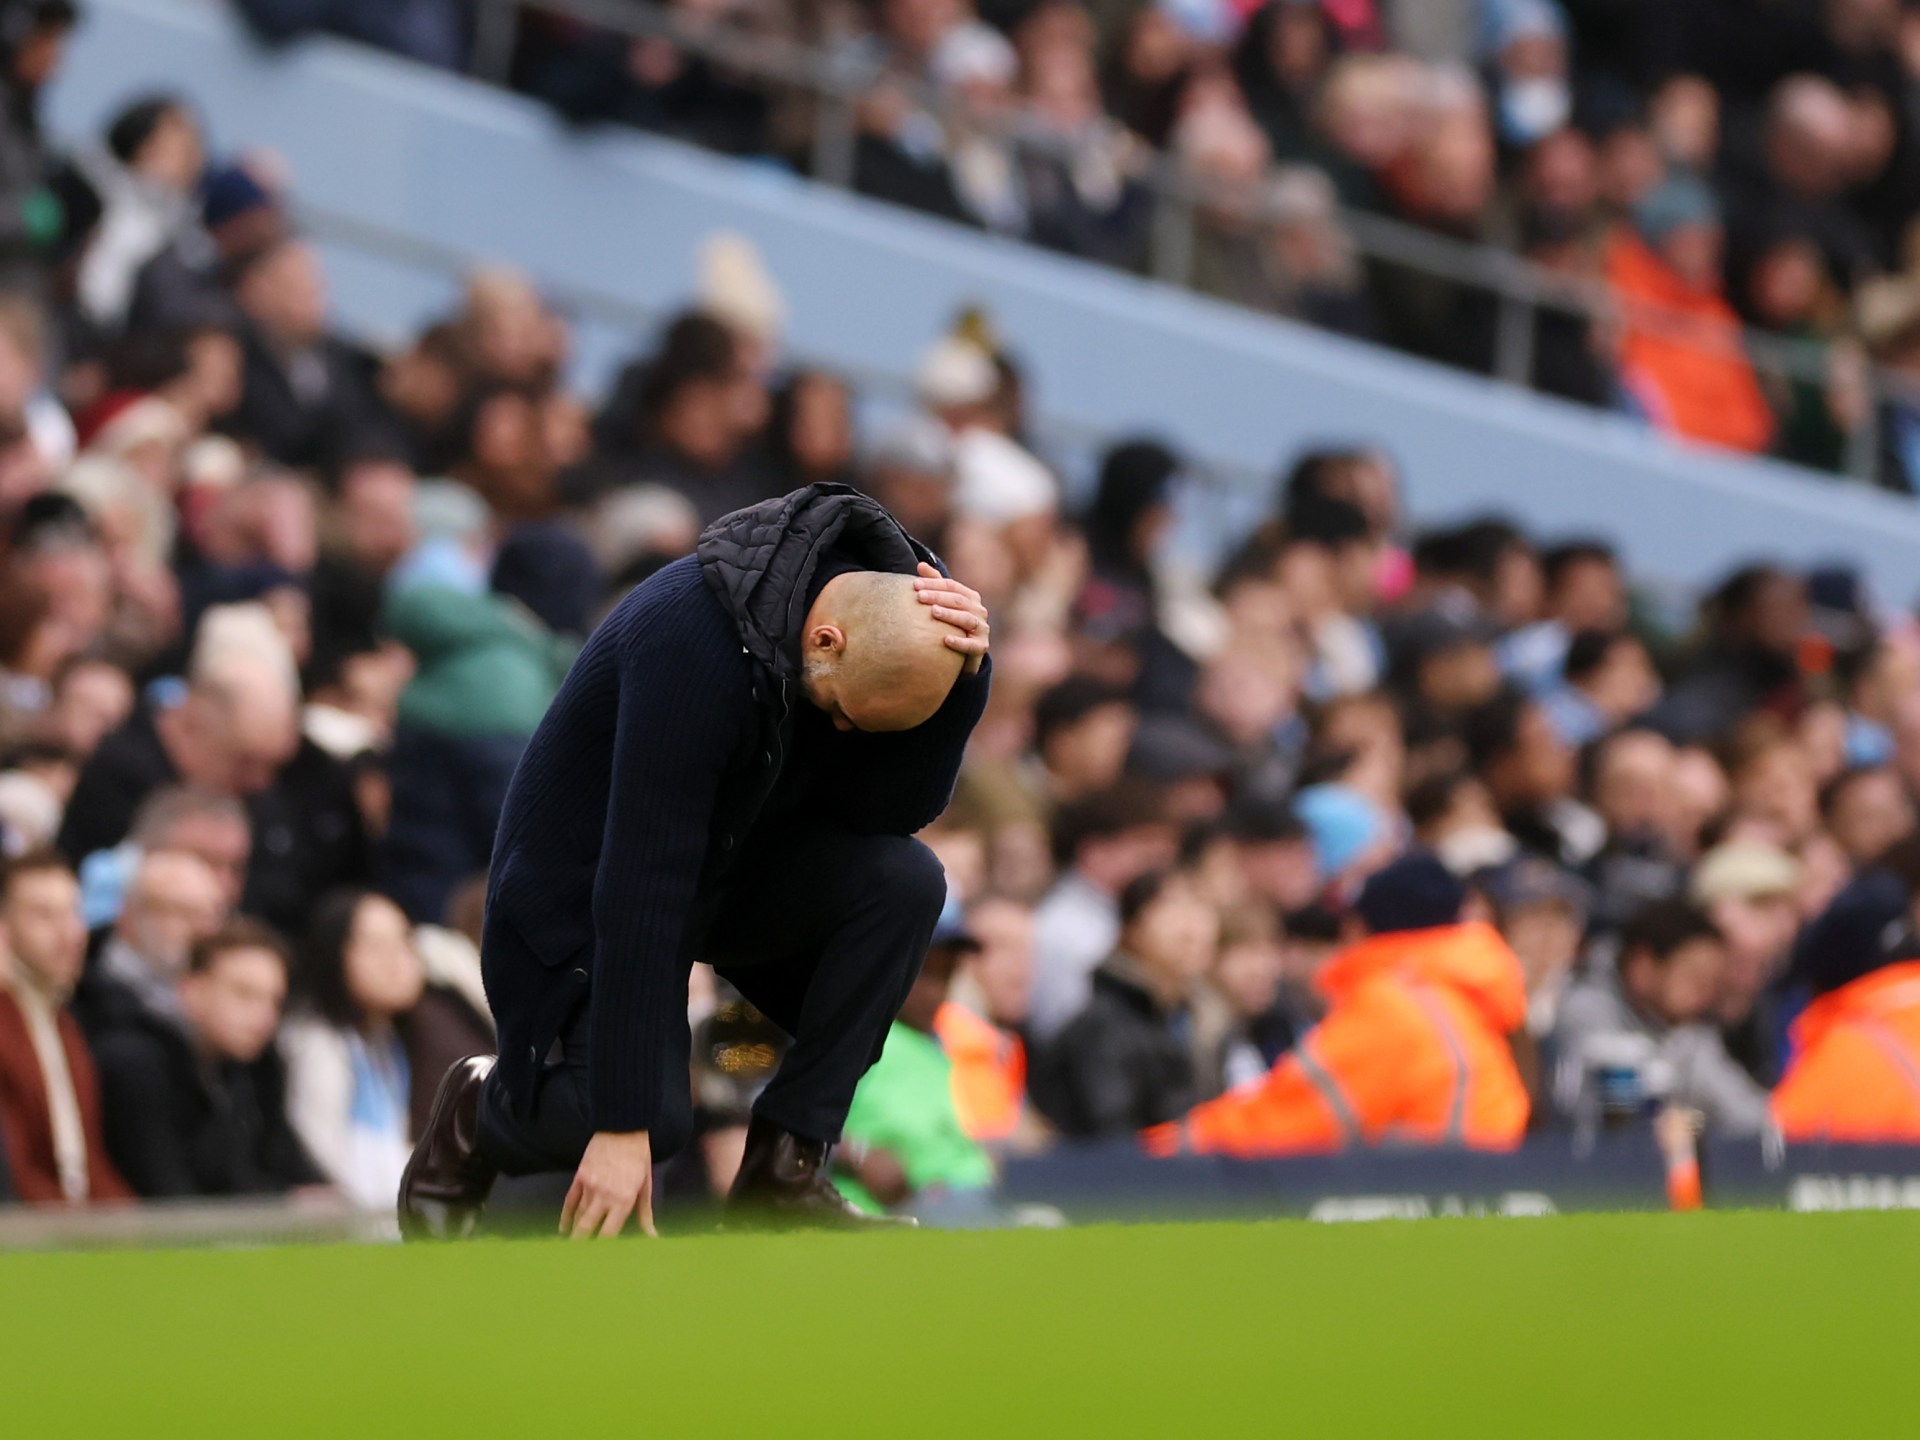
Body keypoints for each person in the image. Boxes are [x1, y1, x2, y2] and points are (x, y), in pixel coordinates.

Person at [399, 485, 992, 1239]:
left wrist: (965, 688)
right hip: (582, 879)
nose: (839, 730)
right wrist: (620, 1125)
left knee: (909, 883)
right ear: (826, 641)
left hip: (731, 863)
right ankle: (480, 1109)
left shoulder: (902, 621)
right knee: (646, 1120)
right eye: (839, 712)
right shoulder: (690, 638)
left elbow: (887, 818)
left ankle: (785, 1168)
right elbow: (643, 881)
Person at [1146, 850, 1530, 1157]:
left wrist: (1154, 1152)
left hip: (1440, 1220)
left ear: (1362, 927)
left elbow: (1286, 1118)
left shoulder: (1395, 1007)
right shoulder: (1458, 994)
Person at [92, 919, 322, 1197]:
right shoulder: (136, 1065)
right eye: (244, 994)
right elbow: (167, 1196)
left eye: (274, 1001)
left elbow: (289, 1164)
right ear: (192, 990)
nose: (264, 1017)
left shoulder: (255, 1068)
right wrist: (286, 1203)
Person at [1551, 899, 1771, 1137]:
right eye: (1695, 977)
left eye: (1713, 983)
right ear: (1643, 968)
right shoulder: (1585, 1010)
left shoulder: (1690, 1032)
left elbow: (1749, 1114)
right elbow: (1620, 1117)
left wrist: (1695, 1123)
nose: (1706, 994)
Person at [1030, 868, 1222, 1138]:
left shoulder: (1204, 1019)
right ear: (1132, 929)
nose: (1192, 929)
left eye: (1201, 909)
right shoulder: (1102, 1027)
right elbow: (1115, 1143)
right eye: (1172, 908)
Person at [837, 911, 998, 1223]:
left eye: (946, 974)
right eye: (924, 973)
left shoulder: (944, 1041)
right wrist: (857, 1154)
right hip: (888, 1214)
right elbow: (790, 1116)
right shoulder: (855, 1033)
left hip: (965, 1204)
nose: (935, 991)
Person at [0, 848, 133, 1204]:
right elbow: (16, 1172)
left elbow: (86, 1165)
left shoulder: (63, 1023)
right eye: (44, 916)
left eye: (74, 912)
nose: (69, 933)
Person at [280, 890, 425, 1209]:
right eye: (375, 946)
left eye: (404, 942)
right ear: (334, 953)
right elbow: (323, 1153)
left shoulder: (386, 1042)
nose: (396, 961)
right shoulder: (317, 1044)